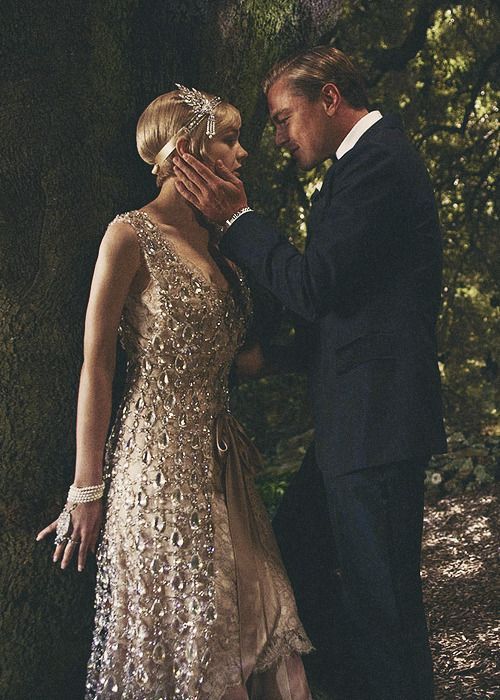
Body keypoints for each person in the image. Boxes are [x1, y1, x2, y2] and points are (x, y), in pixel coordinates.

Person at [173, 46, 448, 700]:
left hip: (376, 427)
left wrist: (237, 221)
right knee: (295, 556)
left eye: (280, 117)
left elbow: (316, 285)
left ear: (329, 98)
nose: (275, 137)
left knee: (387, 612)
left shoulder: (379, 162)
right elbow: (351, 306)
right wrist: (265, 360)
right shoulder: (362, 166)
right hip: (353, 427)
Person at [36, 85, 313, 700]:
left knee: (266, 623)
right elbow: (97, 367)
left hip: (225, 470)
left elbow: (247, 363)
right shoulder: (129, 235)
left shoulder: (227, 255)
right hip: (156, 468)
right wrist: (85, 488)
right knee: (194, 638)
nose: (242, 154)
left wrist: (342, 347)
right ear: (189, 149)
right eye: (230, 139)